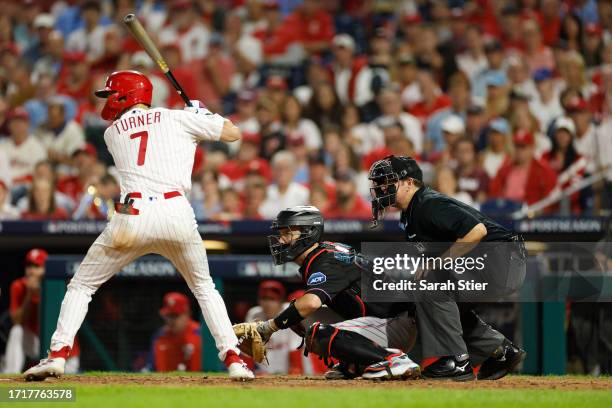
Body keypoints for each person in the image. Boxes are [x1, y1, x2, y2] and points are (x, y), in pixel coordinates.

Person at [23, 70, 253, 381]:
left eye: (111, 94)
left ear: (125, 95)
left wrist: (194, 118)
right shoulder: (177, 118)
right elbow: (233, 134)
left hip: (132, 214)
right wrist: (203, 115)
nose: (107, 102)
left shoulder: (113, 132)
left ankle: (58, 355)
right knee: (204, 288)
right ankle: (235, 360)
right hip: (176, 212)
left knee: (82, 285)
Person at [368, 156, 526, 380]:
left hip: (501, 259)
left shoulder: (428, 204)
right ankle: (501, 351)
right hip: (497, 260)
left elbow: (477, 231)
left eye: (388, 182)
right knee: (433, 304)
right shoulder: (412, 211)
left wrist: (438, 262)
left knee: (430, 285)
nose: (383, 188)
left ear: (410, 182)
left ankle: (456, 360)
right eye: (380, 183)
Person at [235, 206, 421, 381]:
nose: (282, 240)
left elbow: (311, 303)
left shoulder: (325, 260)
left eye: (287, 233)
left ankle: (392, 359)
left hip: (394, 323)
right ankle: (354, 363)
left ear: (308, 233)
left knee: (317, 332)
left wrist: (267, 328)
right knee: (297, 315)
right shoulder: (322, 253)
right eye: (281, 234)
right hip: (381, 319)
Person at [4, 249, 79, 374]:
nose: (31, 271)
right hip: (37, 343)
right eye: (29, 266)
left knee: (65, 382)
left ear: (46, 269)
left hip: (64, 349)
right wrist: (29, 294)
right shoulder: (19, 286)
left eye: (37, 266)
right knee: (17, 331)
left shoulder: (60, 284)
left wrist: (41, 293)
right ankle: (10, 375)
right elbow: (17, 321)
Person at [244, 280, 302, 374]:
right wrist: (247, 372)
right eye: (264, 298)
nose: (268, 303)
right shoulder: (254, 315)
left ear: (281, 301)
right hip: (262, 373)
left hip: (286, 373)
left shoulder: (289, 313)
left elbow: (295, 348)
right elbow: (248, 348)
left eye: (272, 299)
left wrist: (295, 372)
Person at [150, 292, 202, 372]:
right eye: (168, 316)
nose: (170, 321)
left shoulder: (201, 334)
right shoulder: (159, 336)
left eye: (174, 316)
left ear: (187, 314)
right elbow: (151, 369)